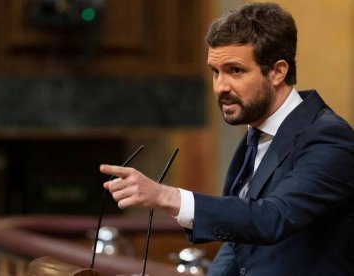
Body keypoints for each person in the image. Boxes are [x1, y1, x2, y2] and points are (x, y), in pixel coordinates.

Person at [100, 2, 354, 275]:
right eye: (215, 71)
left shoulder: (329, 138)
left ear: (278, 71)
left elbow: (271, 218)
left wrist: (165, 195)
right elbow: (239, 243)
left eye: (236, 71)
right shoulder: (255, 136)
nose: (221, 87)